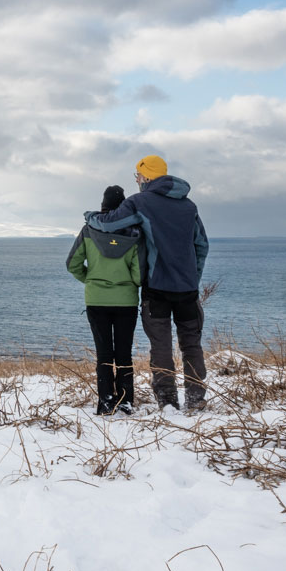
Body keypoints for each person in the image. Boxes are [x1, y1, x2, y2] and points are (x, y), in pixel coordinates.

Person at [85, 155, 209, 413]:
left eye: (138, 176)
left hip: (157, 289)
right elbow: (202, 246)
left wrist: (89, 216)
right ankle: (196, 399)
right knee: (191, 345)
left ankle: (167, 402)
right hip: (188, 289)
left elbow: (109, 224)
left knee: (161, 346)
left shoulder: (140, 202)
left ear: (146, 177)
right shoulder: (189, 206)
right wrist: (193, 277)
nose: (137, 181)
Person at [66, 185, 143, 415]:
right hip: (126, 301)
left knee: (104, 353)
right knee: (124, 353)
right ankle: (126, 401)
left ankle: (106, 402)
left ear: (103, 205)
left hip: (96, 300)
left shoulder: (88, 230)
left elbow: (72, 264)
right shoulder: (135, 232)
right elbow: (140, 274)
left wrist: (91, 279)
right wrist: (126, 283)